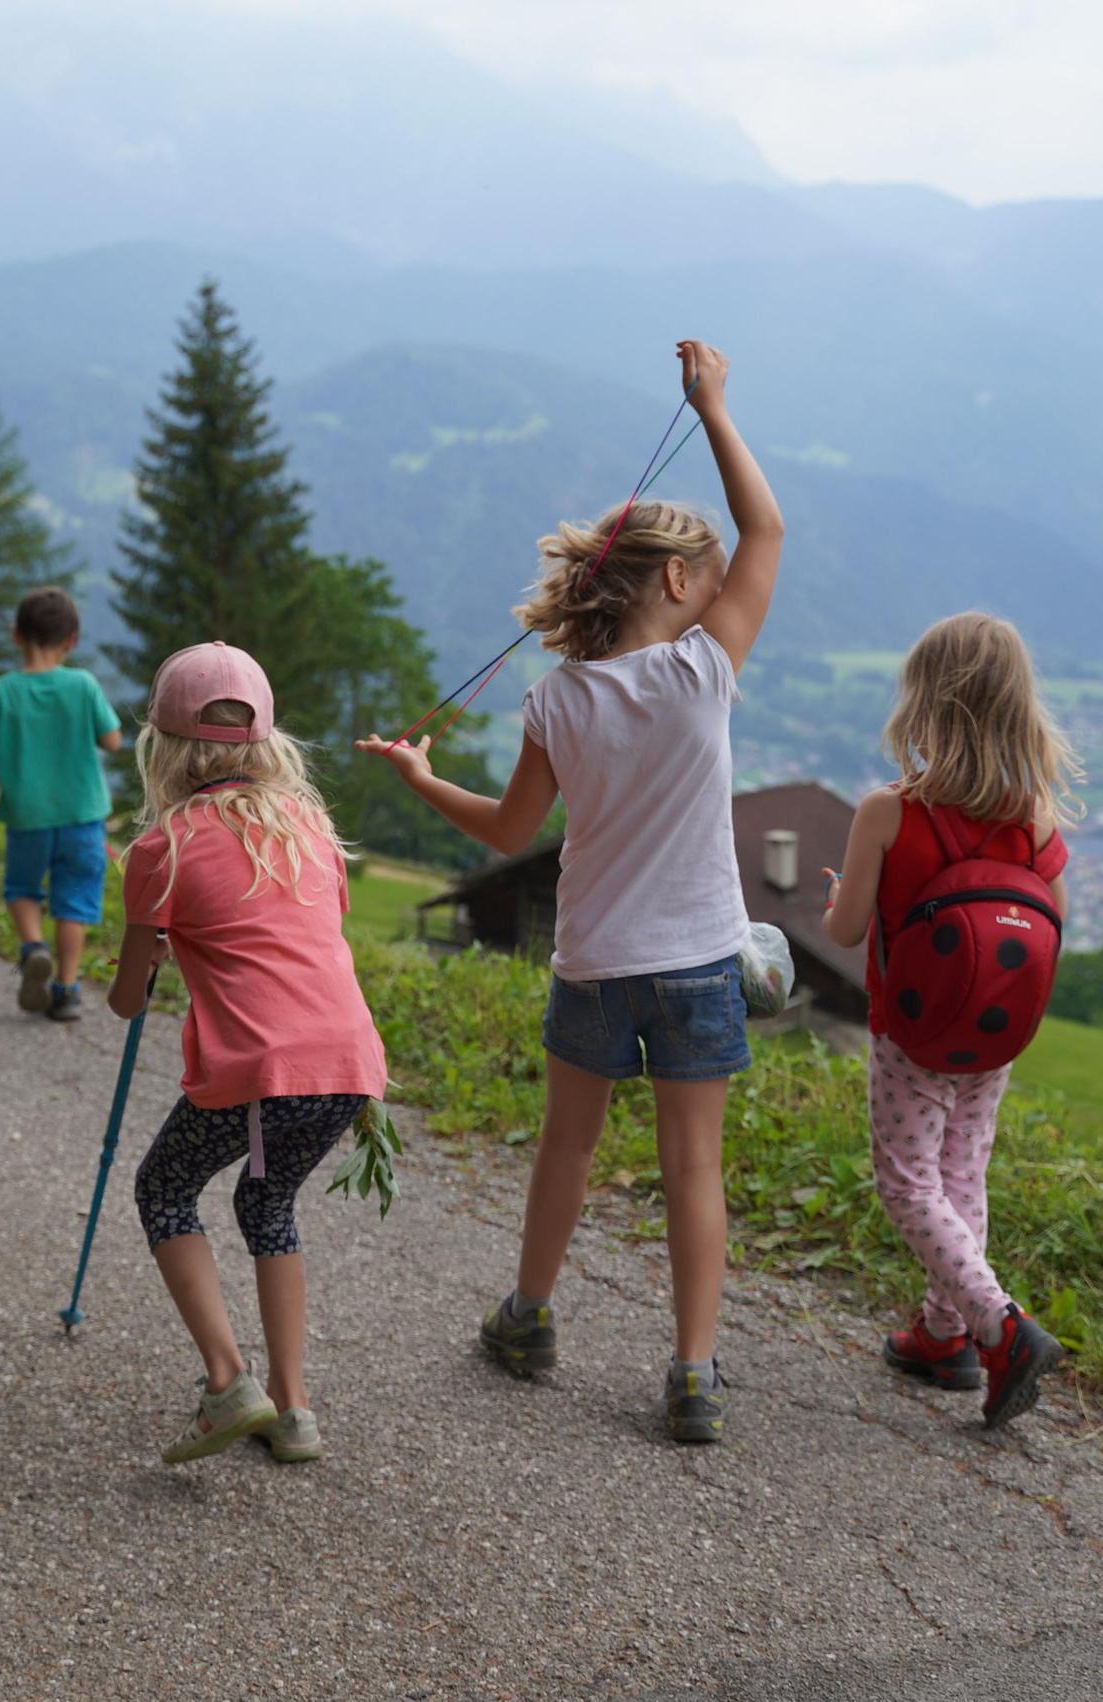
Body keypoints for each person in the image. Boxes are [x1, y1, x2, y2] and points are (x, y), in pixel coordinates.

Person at [360, 339, 783, 1444]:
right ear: (680, 584)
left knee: (567, 1146)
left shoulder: (555, 701)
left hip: (593, 963)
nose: (720, 590)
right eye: (708, 577)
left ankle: (529, 1318)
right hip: (698, 964)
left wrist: (421, 778)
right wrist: (714, 407)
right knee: (693, 1165)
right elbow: (769, 531)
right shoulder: (703, 672)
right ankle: (692, 1372)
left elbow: (510, 832)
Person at [107, 642, 388, 1466]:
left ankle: (230, 1381)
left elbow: (126, 1001)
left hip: (262, 1069)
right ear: (267, 742)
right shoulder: (312, 829)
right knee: (269, 1205)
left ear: (162, 746)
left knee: (164, 1188)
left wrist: (154, 951)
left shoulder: (161, 852)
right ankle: (294, 1411)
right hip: (348, 1066)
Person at [819, 612, 1081, 1430]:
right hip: (993, 1037)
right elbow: (1055, 930)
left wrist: (839, 896)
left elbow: (845, 931)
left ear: (925, 704)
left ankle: (999, 1325)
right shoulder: (1037, 823)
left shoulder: (890, 812)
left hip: (910, 1034)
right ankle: (943, 1335)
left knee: (907, 1181)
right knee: (963, 1173)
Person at [0, 587, 122, 1020]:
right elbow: (113, 742)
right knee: (74, 902)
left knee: (21, 889)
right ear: (71, 640)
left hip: (27, 817)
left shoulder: (0, 692)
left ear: (16, 634)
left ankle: (34, 947)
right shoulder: (83, 684)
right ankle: (67, 990)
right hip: (82, 817)